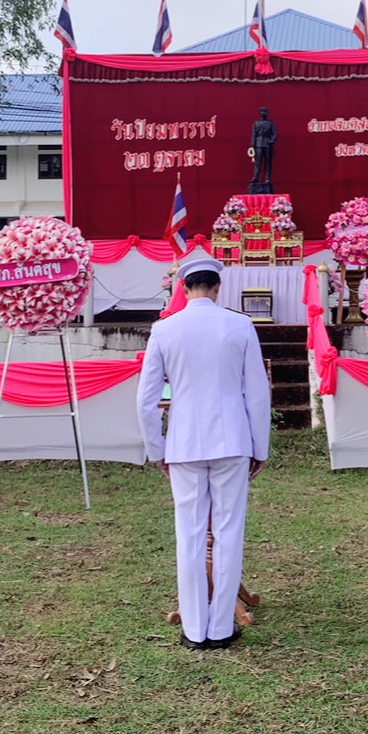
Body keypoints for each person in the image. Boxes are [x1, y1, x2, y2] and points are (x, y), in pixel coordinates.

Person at [136, 254, 271, 650]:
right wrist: (259, 446)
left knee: (190, 533)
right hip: (232, 441)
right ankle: (221, 627)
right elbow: (257, 393)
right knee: (228, 532)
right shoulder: (240, 325)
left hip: (184, 443)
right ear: (217, 287)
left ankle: (194, 629)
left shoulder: (164, 329)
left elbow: (146, 400)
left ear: (183, 287)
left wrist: (157, 448)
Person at [249, 106, 277, 188]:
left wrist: (272, 140)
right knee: (258, 163)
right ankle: (255, 177)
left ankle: (267, 178)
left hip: (267, 145)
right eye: (262, 112)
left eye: (265, 112)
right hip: (258, 145)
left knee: (268, 163)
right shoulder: (256, 123)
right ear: (260, 113)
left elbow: (275, 134)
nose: (263, 113)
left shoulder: (270, 123)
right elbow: (253, 135)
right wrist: (252, 146)